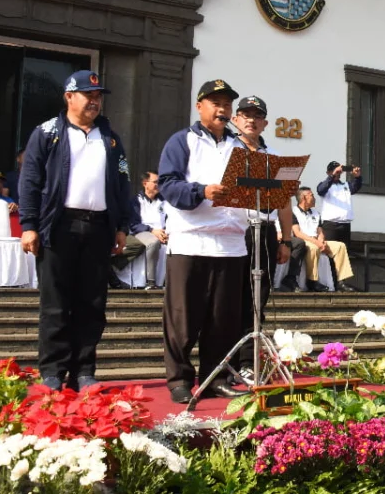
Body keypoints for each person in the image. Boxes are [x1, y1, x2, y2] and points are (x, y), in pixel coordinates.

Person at [19, 70, 133, 392]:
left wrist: (123, 225)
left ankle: (84, 370)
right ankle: (52, 370)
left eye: (98, 96)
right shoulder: (46, 132)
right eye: (88, 95)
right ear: (69, 96)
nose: (95, 101)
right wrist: (29, 226)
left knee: (92, 303)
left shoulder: (111, 138)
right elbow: (30, 182)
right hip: (59, 226)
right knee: (55, 302)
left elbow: (123, 182)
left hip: (98, 227)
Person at [156, 79, 252, 403]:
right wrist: (201, 191)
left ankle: (217, 377)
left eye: (227, 104)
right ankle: (179, 379)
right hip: (191, 241)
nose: (222, 109)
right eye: (216, 102)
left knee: (223, 320)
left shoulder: (240, 148)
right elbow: (167, 185)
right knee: (184, 318)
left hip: (231, 244)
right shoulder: (181, 141)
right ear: (200, 106)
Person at [230, 95, 296, 370]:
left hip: (266, 231)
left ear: (265, 123)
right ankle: (228, 360)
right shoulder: (226, 150)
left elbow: (284, 201)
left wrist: (287, 239)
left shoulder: (273, 158)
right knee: (232, 296)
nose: (251, 120)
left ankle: (249, 361)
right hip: (234, 230)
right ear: (235, 119)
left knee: (259, 298)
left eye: (257, 116)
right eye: (245, 114)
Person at [290, 187, 355, 292]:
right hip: (304, 241)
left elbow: (320, 231)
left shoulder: (316, 213)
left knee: (340, 246)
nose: (314, 198)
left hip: (317, 240)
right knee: (313, 248)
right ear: (303, 198)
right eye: (311, 195)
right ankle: (312, 281)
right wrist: (316, 242)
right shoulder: (294, 211)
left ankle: (341, 281)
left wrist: (321, 241)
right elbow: (297, 233)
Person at [111, 171, 168, 289]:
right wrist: (152, 230)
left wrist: (166, 232)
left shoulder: (165, 202)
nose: (158, 185)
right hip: (142, 233)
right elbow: (133, 224)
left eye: (159, 182)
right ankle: (151, 282)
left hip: (163, 233)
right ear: (145, 183)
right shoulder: (135, 202)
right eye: (155, 182)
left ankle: (168, 283)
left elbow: (170, 219)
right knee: (153, 243)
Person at [316, 161, 361, 251]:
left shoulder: (346, 185)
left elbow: (356, 187)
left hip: (345, 224)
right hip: (331, 225)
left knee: (344, 252)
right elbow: (321, 190)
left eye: (338, 170)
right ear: (328, 172)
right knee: (330, 252)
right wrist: (332, 176)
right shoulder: (324, 185)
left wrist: (357, 177)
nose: (337, 172)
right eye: (333, 170)